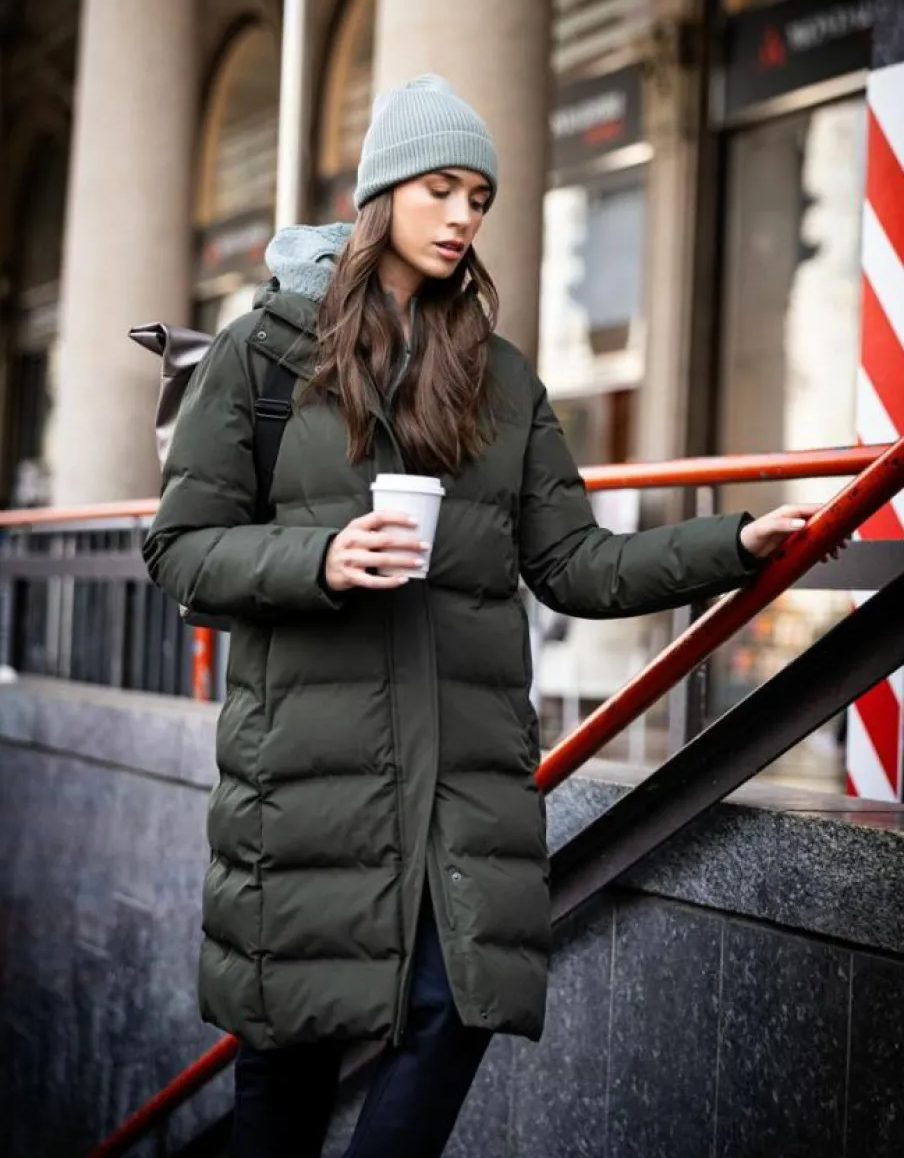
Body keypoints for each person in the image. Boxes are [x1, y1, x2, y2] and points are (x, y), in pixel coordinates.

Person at [144, 75, 818, 1158]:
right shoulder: (263, 357)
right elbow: (178, 552)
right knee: (282, 1098)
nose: (463, 217)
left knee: (446, 1022)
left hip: (462, 799)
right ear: (382, 197)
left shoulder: (499, 383)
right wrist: (322, 555)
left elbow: (575, 565)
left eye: (479, 199)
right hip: (308, 803)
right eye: (441, 189)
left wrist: (730, 547)